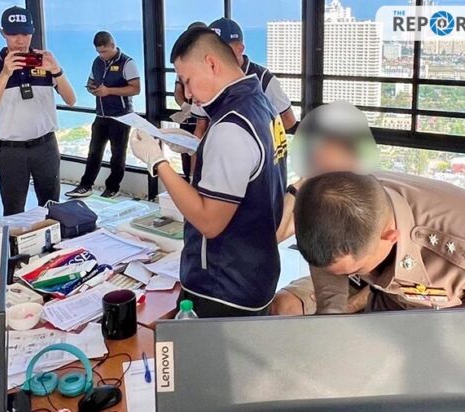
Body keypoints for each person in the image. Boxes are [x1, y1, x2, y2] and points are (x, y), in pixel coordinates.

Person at [130, 27, 287, 318]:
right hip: (256, 272)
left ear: (211, 64)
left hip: (222, 287)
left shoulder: (231, 127)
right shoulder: (260, 104)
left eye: (187, 81)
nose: (188, 95)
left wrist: (157, 162)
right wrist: (198, 146)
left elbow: (209, 222)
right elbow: (250, 169)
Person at [293, 170, 465, 313]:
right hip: (387, 293)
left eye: (355, 270)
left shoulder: (458, 246)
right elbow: (327, 261)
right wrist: (331, 314)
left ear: (390, 237)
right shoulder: (332, 197)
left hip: (443, 311)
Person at [270, 101, 379, 316]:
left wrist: (346, 308)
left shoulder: (377, 195)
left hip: (373, 287)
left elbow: (392, 278)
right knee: (282, 307)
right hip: (332, 276)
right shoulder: (318, 192)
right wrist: (301, 185)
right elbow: (275, 235)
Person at [0, 6, 76, 215]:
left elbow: (71, 99)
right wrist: (5, 74)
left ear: (32, 32)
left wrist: (57, 71)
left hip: (46, 146)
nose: (20, 40)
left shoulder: (44, 61)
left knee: (51, 207)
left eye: (25, 34)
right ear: (3, 33)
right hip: (12, 150)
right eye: (13, 34)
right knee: (13, 210)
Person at [192, 17, 296, 144]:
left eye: (222, 49)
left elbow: (288, 120)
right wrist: (195, 155)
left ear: (240, 49)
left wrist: (254, 137)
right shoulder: (205, 79)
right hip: (217, 151)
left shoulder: (263, 78)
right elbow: (201, 127)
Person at [65, 31, 141, 199]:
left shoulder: (127, 63)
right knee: (94, 152)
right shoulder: (97, 62)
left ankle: (113, 187)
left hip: (121, 116)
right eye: (99, 52)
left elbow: (135, 89)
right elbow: (91, 81)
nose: (102, 55)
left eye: (105, 51)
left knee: (117, 154)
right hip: (101, 114)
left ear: (113, 45)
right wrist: (92, 89)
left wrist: (109, 91)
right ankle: (86, 185)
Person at [171, 21, 208, 182]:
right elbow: (178, 92)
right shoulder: (183, 64)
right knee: (187, 162)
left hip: (207, 122)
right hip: (188, 121)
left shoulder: (210, 64)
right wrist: (185, 106)